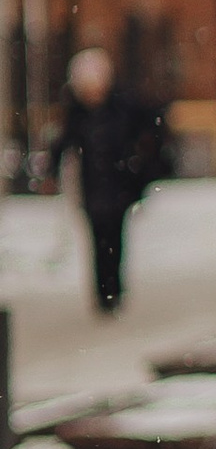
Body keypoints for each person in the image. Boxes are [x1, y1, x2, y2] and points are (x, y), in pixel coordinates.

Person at [52, 45, 168, 316]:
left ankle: (114, 289)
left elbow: (152, 126)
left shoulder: (123, 107)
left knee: (115, 237)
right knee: (97, 239)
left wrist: (143, 161)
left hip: (119, 184)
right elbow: (64, 142)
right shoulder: (78, 113)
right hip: (93, 187)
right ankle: (103, 293)